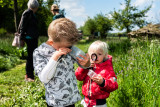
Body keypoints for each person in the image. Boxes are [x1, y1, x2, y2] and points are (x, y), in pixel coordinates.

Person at [33, 18, 90, 107]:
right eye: (67, 46)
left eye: (71, 46)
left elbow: (84, 65)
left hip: (71, 99)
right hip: (55, 102)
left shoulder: (69, 47)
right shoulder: (40, 52)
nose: (70, 48)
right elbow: (44, 78)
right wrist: (55, 57)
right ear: (52, 42)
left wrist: (86, 63)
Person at [75, 40, 118, 107]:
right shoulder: (88, 65)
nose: (96, 57)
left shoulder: (107, 68)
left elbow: (114, 85)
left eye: (99, 54)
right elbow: (78, 77)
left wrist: (103, 82)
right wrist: (84, 67)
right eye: (93, 54)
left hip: (99, 103)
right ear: (89, 55)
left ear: (104, 55)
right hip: (85, 101)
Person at [19, 0, 39, 82]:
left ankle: (31, 74)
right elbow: (22, 26)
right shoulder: (27, 13)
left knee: (33, 56)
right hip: (29, 38)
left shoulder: (32, 14)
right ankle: (29, 76)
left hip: (33, 38)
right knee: (30, 57)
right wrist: (22, 38)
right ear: (36, 7)